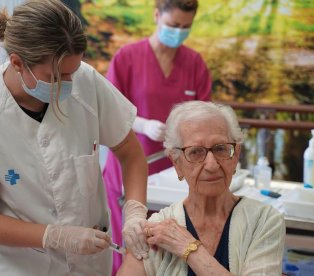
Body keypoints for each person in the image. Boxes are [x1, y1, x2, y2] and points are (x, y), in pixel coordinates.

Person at [0, 0, 149, 275]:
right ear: (18, 63)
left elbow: (131, 154)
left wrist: (135, 213)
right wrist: (55, 236)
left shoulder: (86, 81)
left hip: (88, 266)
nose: (69, 82)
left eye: (74, 70)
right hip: (20, 266)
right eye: (57, 75)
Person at [103, 0, 212, 272]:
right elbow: (107, 110)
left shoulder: (194, 63)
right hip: (129, 167)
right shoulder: (127, 58)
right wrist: (140, 125)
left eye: (186, 27)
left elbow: (205, 116)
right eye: (173, 25)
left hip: (175, 174)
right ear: (156, 16)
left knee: (171, 249)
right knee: (132, 248)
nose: (179, 32)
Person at [117, 101, 286, 275]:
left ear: (235, 156)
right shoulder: (158, 230)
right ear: (177, 163)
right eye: (196, 152)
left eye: (221, 149)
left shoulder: (263, 221)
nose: (212, 165)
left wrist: (189, 248)